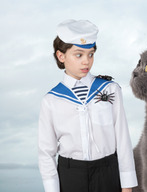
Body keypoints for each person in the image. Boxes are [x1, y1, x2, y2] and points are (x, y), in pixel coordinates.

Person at [38, 19, 138, 192]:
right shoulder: (51, 100)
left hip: (107, 172)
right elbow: (46, 152)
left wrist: (127, 185)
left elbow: (122, 139)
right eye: (79, 55)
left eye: (90, 54)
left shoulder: (110, 89)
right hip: (70, 175)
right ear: (61, 56)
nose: (86, 61)